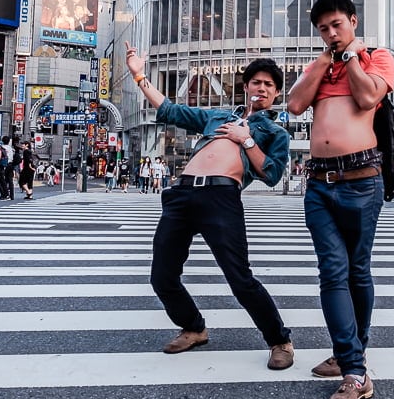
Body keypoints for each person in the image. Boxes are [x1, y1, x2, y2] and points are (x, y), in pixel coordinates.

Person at [125, 40, 294, 370]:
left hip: (221, 197)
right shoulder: (216, 116)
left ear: (276, 94)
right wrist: (140, 77)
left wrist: (244, 139)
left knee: (239, 278)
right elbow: (171, 110)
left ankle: (279, 340)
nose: (261, 88)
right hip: (183, 194)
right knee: (162, 275)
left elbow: (272, 174)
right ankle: (194, 328)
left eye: (269, 85)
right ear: (246, 87)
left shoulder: (274, 131)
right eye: (256, 82)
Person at [286, 0, 394, 399]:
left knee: (357, 272)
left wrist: (350, 57)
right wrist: (322, 61)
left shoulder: (377, 59)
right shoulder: (319, 66)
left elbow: (369, 98)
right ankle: (353, 368)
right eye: (323, 29)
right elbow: (296, 105)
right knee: (332, 272)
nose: (331, 33)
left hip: (362, 181)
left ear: (353, 21)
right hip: (319, 183)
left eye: (337, 25)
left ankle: (352, 352)